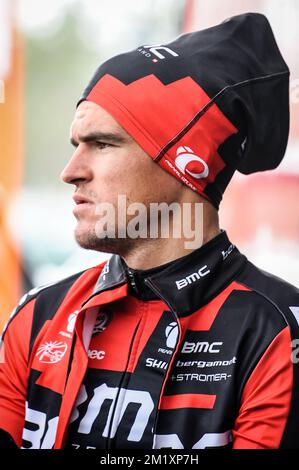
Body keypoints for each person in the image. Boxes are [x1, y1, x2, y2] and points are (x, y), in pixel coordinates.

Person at [1, 12, 299, 450]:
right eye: (75, 145)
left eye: (102, 144)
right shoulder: (40, 316)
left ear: (187, 165)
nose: (70, 172)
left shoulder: (274, 330)